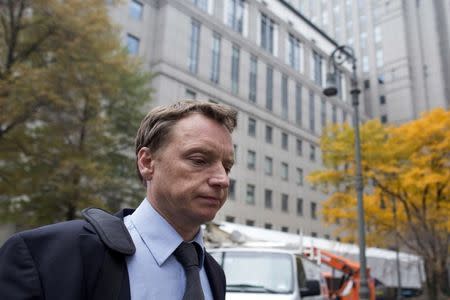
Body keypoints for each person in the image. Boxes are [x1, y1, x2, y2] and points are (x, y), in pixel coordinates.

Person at [0, 100, 237, 300]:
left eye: (226, 167)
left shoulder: (215, 274)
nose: (222, 180)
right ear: (146, 163)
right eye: (199, 160)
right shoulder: (45, 257)